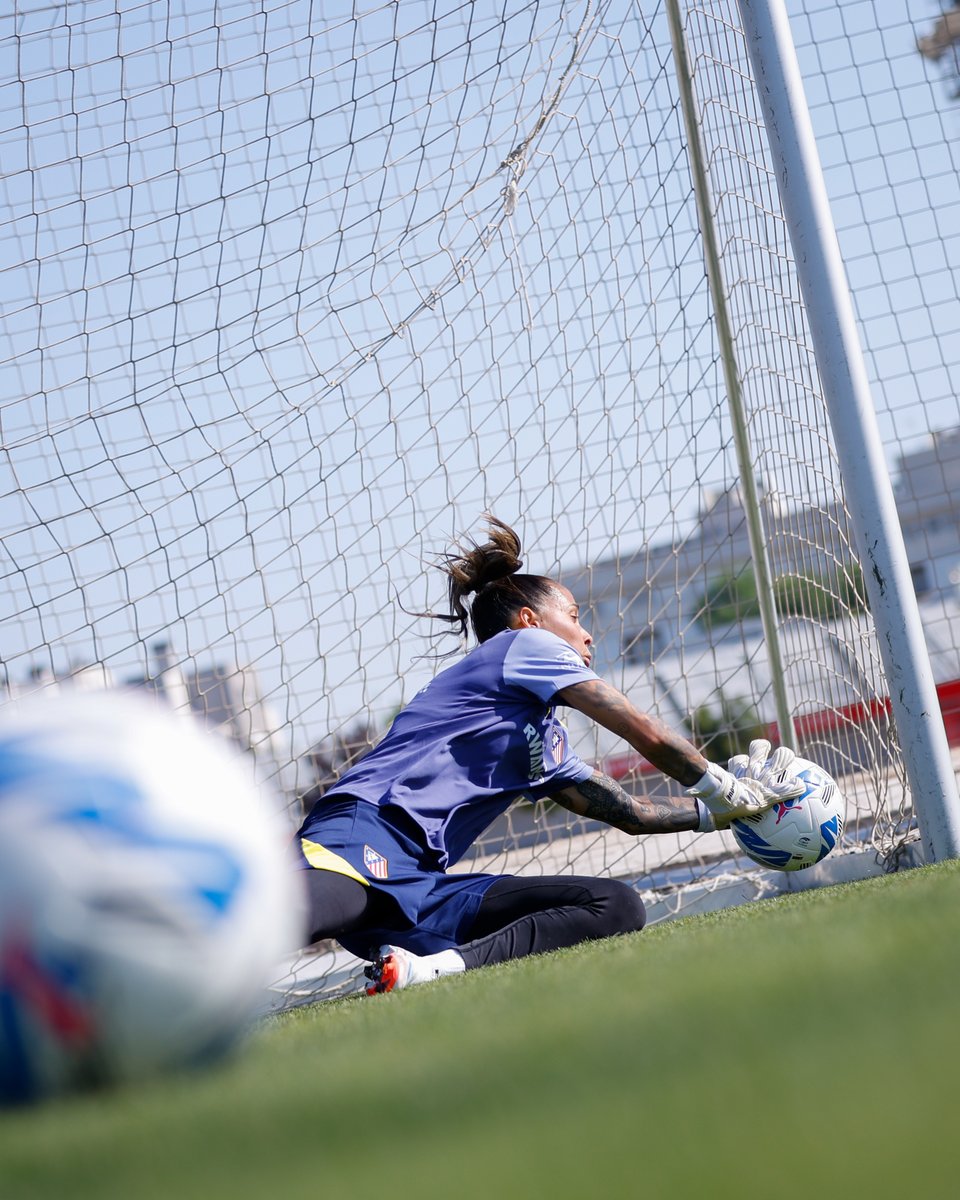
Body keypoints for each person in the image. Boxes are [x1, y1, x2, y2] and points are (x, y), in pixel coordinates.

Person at [295, 517, 802, 994]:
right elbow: (639, 728)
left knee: (616, 905)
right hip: (367, 832)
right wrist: (718, 783)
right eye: (575, 617)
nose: (587, 633)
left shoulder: (543, 741)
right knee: (282, 922)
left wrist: (719, 813)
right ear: (529, 620)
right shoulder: (523, 645)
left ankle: (426, 969)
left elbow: (629, 813)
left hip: (420, 888)